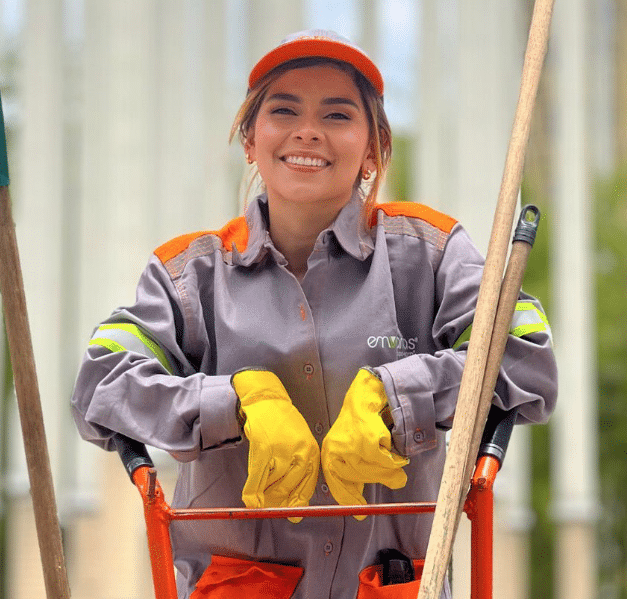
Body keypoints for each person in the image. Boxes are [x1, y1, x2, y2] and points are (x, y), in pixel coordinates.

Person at [71, 29, 557, 599]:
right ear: (250, 139)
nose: (308, 131)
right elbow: (100, 384)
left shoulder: (433, 253)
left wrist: (397, 396)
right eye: (283, 110)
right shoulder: (187, 277)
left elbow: (526, 361)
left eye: (337, 114)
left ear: (373, 148)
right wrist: (238, 403)